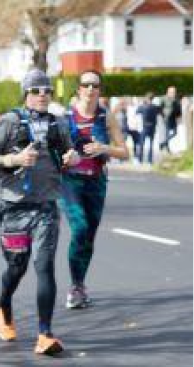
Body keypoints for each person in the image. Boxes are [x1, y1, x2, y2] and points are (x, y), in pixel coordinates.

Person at [0, 69, 80, 355]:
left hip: (46, 206)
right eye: (37, 91)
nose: (43, 95)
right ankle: (3, 303)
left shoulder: (58, 124)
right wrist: (15, 158)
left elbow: (69, 154)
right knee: (17, 266)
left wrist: (72, 157)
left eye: (47, 90)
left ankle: (45, 334)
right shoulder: (10, 122)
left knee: (44, 266)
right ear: (26, 94)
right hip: (13, 208)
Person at [61, 70, 129, 309]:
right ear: (78, 89)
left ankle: (79, 284)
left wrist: (103, 148)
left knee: (89, 235)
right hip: (70, 182)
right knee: (79, 227)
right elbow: (51, 149)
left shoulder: (105, 116)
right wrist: (65, 157)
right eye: (86, 85)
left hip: (96, 182)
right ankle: (75, 287)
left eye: (95, 85)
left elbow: (124, 151)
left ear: (100, 90)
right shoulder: (65, 116)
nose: (90, 89)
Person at [136, 93, 160, 164]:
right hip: (153, 127)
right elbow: (160, 113)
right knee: (151, 144)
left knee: (141, 144)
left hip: (145, 127)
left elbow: (136, 112)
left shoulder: (143, 106)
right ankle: (149, 160)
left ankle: (140, 159)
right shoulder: (155, 107)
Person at [159, 86, 182, 153]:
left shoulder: (176, 99)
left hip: (173, 118)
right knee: (167, 133)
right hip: (167, 118)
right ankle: (167, 148)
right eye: (172, 92)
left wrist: (179, 117)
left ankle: (163, 143)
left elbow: (178, 109)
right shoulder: (164, 98)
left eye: (174, 92)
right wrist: (163, 116)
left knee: (174, 133)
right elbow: (160, 108)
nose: (174, 93)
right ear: (168, 92)